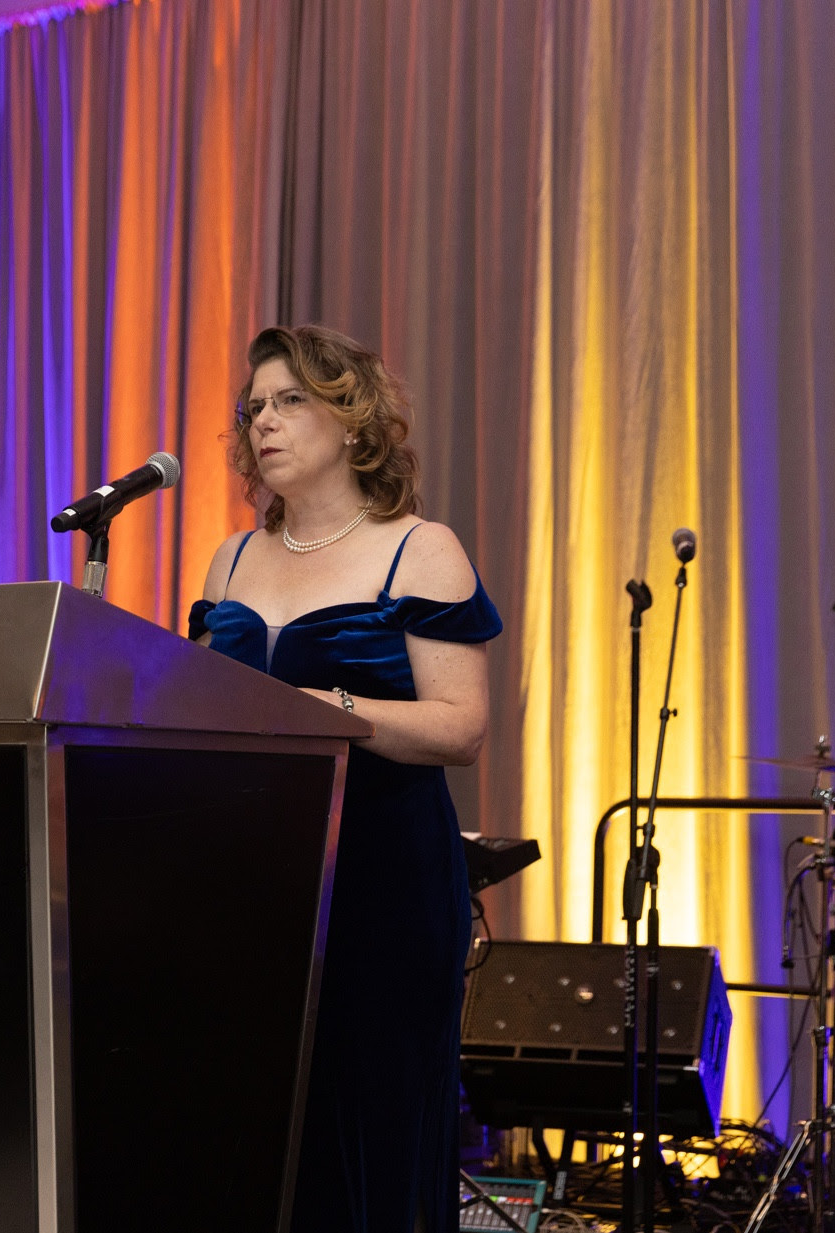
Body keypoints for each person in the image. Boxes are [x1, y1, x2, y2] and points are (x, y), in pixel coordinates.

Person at [188, 324, 502, 1233]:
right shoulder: (232, 558)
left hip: (382, 875)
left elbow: (461, 727)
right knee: (254, 1123)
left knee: (370, 1118)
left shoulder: (418, 548)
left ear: (353, 419)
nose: (264, 424)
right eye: (253, 409)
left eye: (289, 401)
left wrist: (332, 709)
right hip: (249, 877)